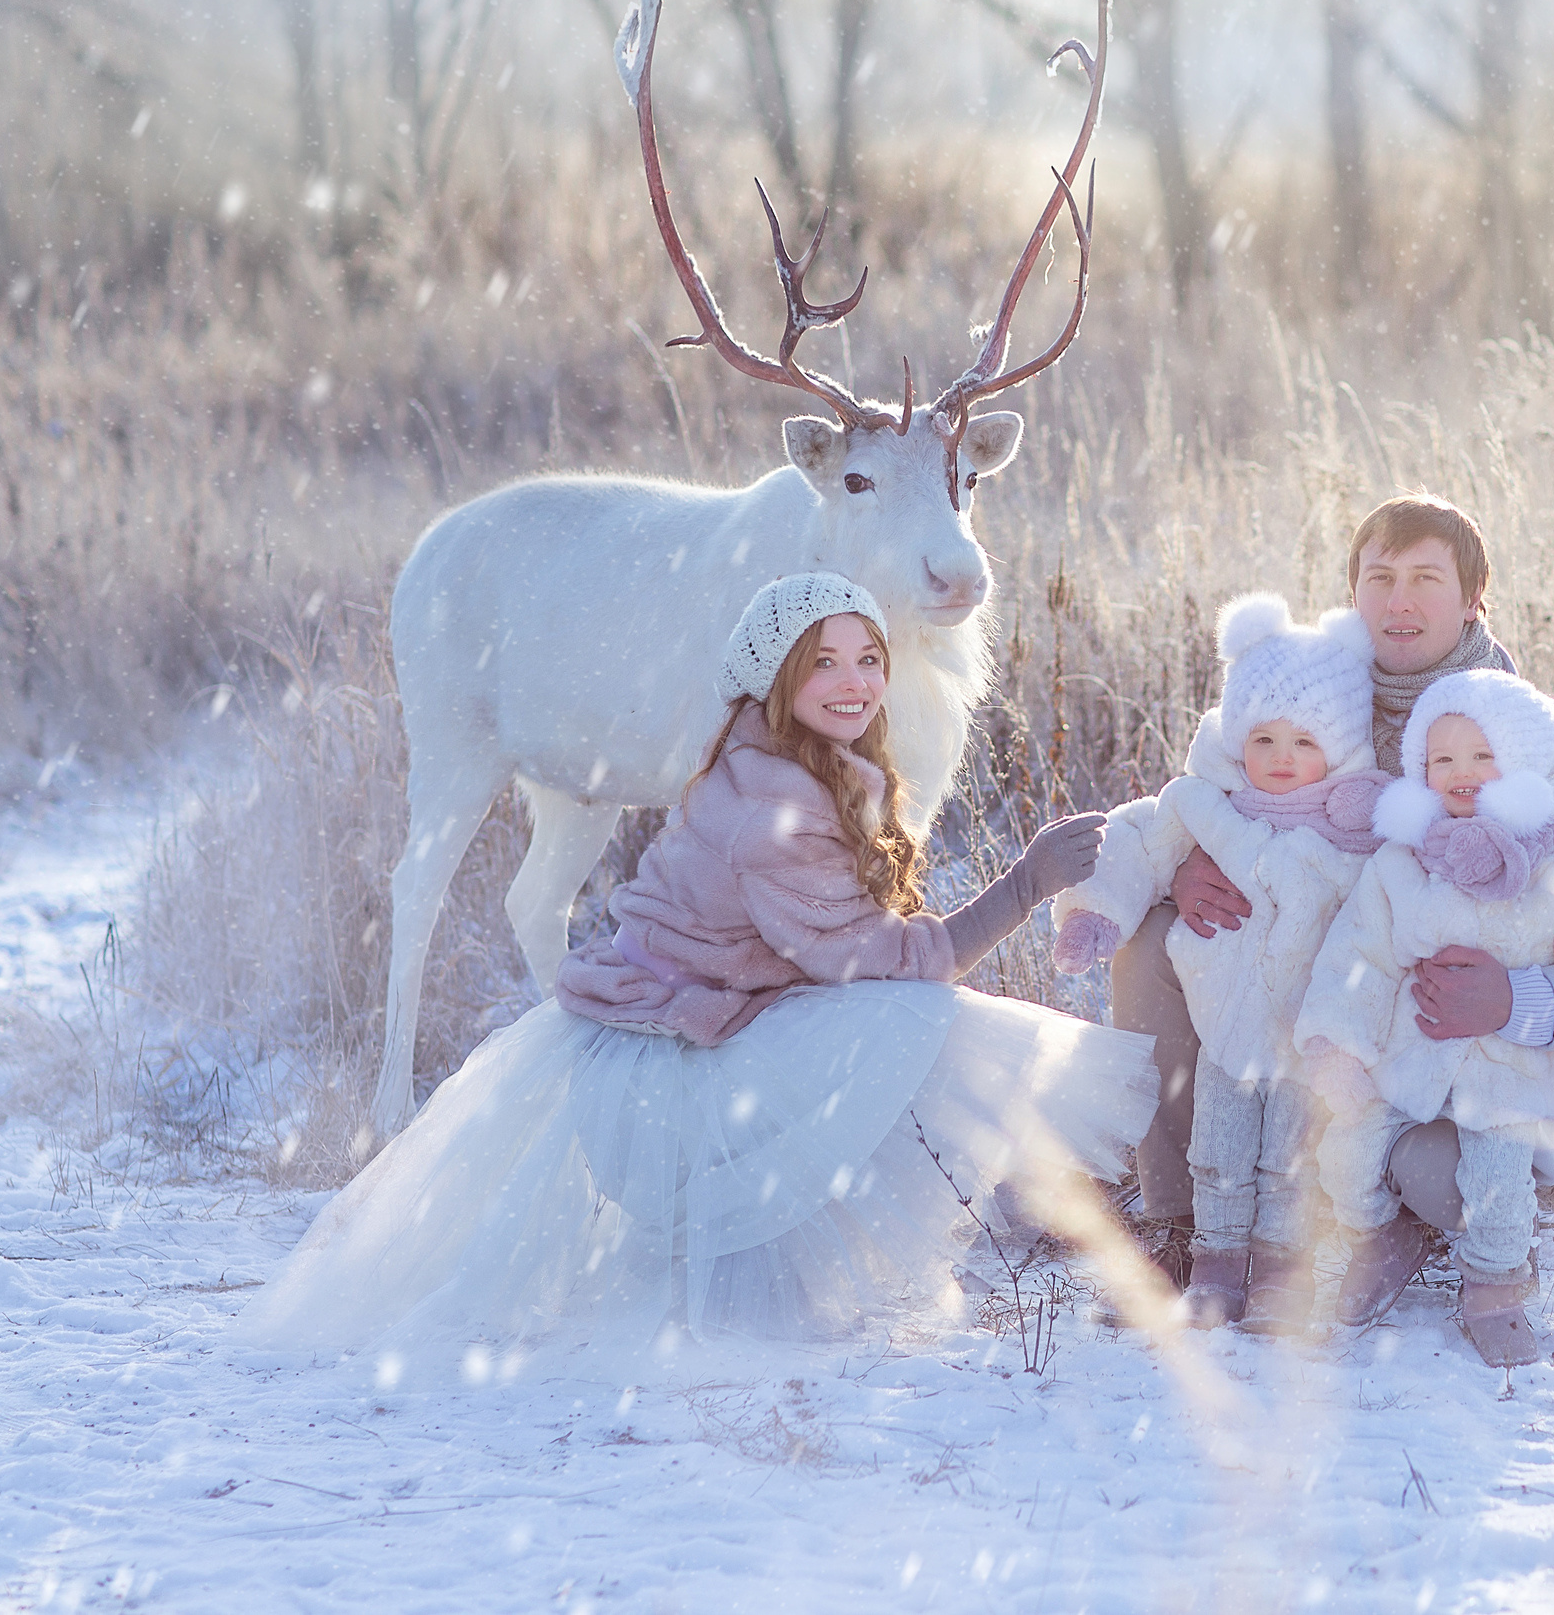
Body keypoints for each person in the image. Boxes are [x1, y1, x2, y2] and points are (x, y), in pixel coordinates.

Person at [246, 573, 1154, 1381]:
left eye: (868, 657)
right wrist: (1026, 884)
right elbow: (883, 960)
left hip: (688, 1027)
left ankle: (780, 1263)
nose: (854, 681)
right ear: (775, 679)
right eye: (823, 662)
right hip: (661, 1079)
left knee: (883, 1022)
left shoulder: (790, 763)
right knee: (922, 1017)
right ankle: (1050, 1210)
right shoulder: (772, 807)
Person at [1112, 494, 1554, 1284]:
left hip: (1451, 1049)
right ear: (1352, 593)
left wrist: (1517, 998)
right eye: (1379, 576)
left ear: (1475, 595)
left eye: (1427, 576)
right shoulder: (1307, 698)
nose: (1400, 599)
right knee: (1153, 940)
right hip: (1311, 1008)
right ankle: (1191, 1219)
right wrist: (1184, 870)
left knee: (1439, 1174)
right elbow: (1194, 802)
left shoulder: (1543, 740)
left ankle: (1393, 1216)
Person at [1296, 670, 1554, 1366]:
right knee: (1350, 1147)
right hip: (1409, 1060)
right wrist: (1335, 1042)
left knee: (1496, 1178)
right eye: (1442, 759)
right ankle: (1376, 1240)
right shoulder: (1403, 862)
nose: (1461, 773)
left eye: (1482, 756)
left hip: (1508, 1075)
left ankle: (1496, 1287)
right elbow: (1356, 952)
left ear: (1519, 761)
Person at [1050, 594, 1387, 1333]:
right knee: (1221, 1147)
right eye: (1262, 739)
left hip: (1305, 1030)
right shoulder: (1210, 799)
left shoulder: (1356, 823)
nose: (1281, 759)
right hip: (1225, 1016)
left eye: (1303, 743)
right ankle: (1206, 1256)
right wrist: (1094, 909)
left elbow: (1389, 904)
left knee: (1287, 1159)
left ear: (1336, 746)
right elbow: (1136, 839)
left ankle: (1279, 1271)